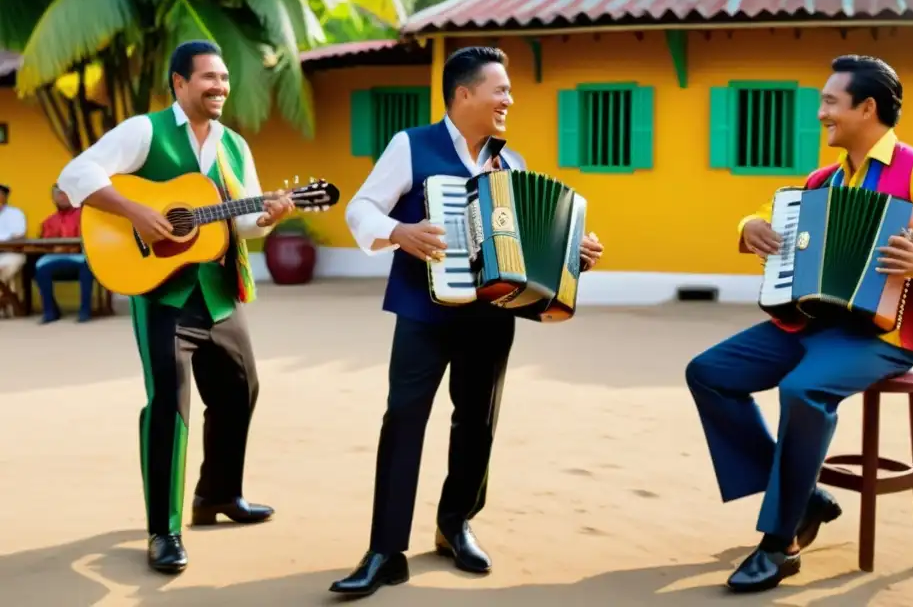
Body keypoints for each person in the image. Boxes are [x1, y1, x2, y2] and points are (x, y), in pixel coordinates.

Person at [686, 54, 913, 593]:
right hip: (812, 324)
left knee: (802, 389)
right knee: (709, 372)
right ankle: (806, 499)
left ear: (866, 108)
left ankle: (779, 545)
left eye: (830, 101)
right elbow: (763, 213)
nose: (821, 112)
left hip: (884, 334)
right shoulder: (821, 180)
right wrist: (750, 225)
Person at [329, 46, 605, 598]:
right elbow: (359, 209)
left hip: (490, 320)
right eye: (499, 90)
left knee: (477, 424)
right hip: (421, 313)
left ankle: (455, 524)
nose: (509, 99)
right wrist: (398, 233)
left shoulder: (513, 166)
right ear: (464, 94)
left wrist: (573, 254)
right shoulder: (411, 145)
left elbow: (526, 252)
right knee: (404, 420)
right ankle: (385, 549)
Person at [56, 40, 295, 574]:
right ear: (179, 83)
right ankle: (163, 530)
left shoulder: (235, 146)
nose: (220, 87)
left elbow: (243, 222)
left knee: (240, 390)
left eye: (225, 78)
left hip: (217, 290)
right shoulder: (145, 131)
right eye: (208, 77)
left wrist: (272, 215)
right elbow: (76, 177)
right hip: (162, 293)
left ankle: (217, 496)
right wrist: (136, 211)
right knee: (169, 405)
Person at [34, 183, 95, 324]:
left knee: (87, 265)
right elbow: (45, 243)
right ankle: (50, 311)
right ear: (53, 199)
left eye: (66, 194)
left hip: (79, 258)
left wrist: (70, 247)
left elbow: (90, 238)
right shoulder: (48, 221)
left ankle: (85, 310)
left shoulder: (84, 215)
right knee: (40, 268)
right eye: (59, 194)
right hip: (54, 258)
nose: (63, 197)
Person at [0, 183, 27, 289]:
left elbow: (19, 237)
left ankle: (8, 303)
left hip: (11, 253)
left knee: (4, 269)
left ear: (5, 197)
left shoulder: (16, 213)